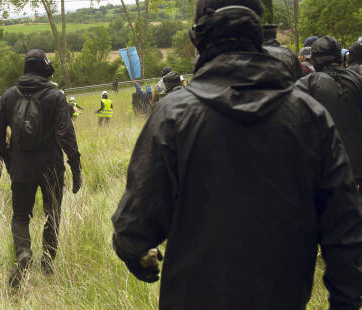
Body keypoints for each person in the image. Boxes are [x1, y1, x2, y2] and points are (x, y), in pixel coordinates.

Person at [111, 2, 362, 309]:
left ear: (198, 38)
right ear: (257, 34)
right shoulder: (309, 115)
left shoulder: (173, 115)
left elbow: (133, 228)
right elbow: (345, 230)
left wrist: (138, 256)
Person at [0, 49, 82, 288]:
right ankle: (47, 262)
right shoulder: (55, 96)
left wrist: (10, 162)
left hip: (21, 168)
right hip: (51, 166)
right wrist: (76, 167)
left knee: (21, 216)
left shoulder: (9, 96)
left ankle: (23, 252)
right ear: (45, 69)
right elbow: (66, 134)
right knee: (52, 214)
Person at [296, 36, 362, 186]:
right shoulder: (357, 80)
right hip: (356, 168)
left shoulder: (306, 84)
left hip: (323, 170)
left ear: (314, 60)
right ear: (340, 57)